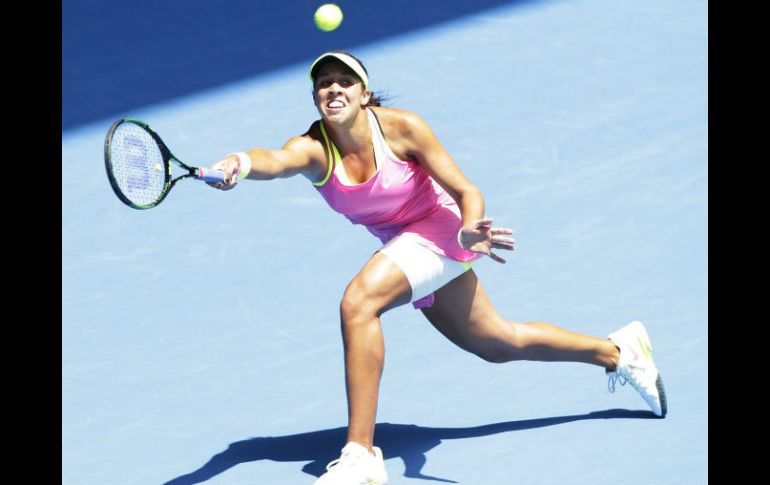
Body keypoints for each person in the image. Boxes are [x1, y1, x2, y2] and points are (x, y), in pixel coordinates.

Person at [207, 50, 667, 485]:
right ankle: (617, 351)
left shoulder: (403, 128)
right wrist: (240, 163)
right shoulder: (313, 148)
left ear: (364, 94)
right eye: (324, 84)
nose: (334, 89)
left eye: (345, 81)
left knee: (359, 303)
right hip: (402, 244)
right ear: (315, 99)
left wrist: (469, 229)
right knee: (496, 342)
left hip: (444, 229)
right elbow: (275, 161)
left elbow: (467, 191)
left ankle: (361, 455)